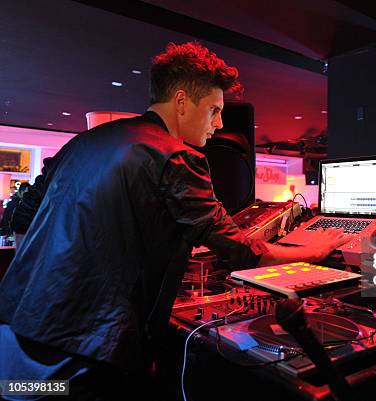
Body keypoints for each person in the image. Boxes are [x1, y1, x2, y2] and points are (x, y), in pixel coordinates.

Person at [0, 42, 348, 400]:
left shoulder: (83, 143)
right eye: (213, 110)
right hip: (81, 353)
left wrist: (48, 279)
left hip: (15, 333)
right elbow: (244, 252)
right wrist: (314, 251)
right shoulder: (178, 157)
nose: (219, 123)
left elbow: (20, 216)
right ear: (182, 102)